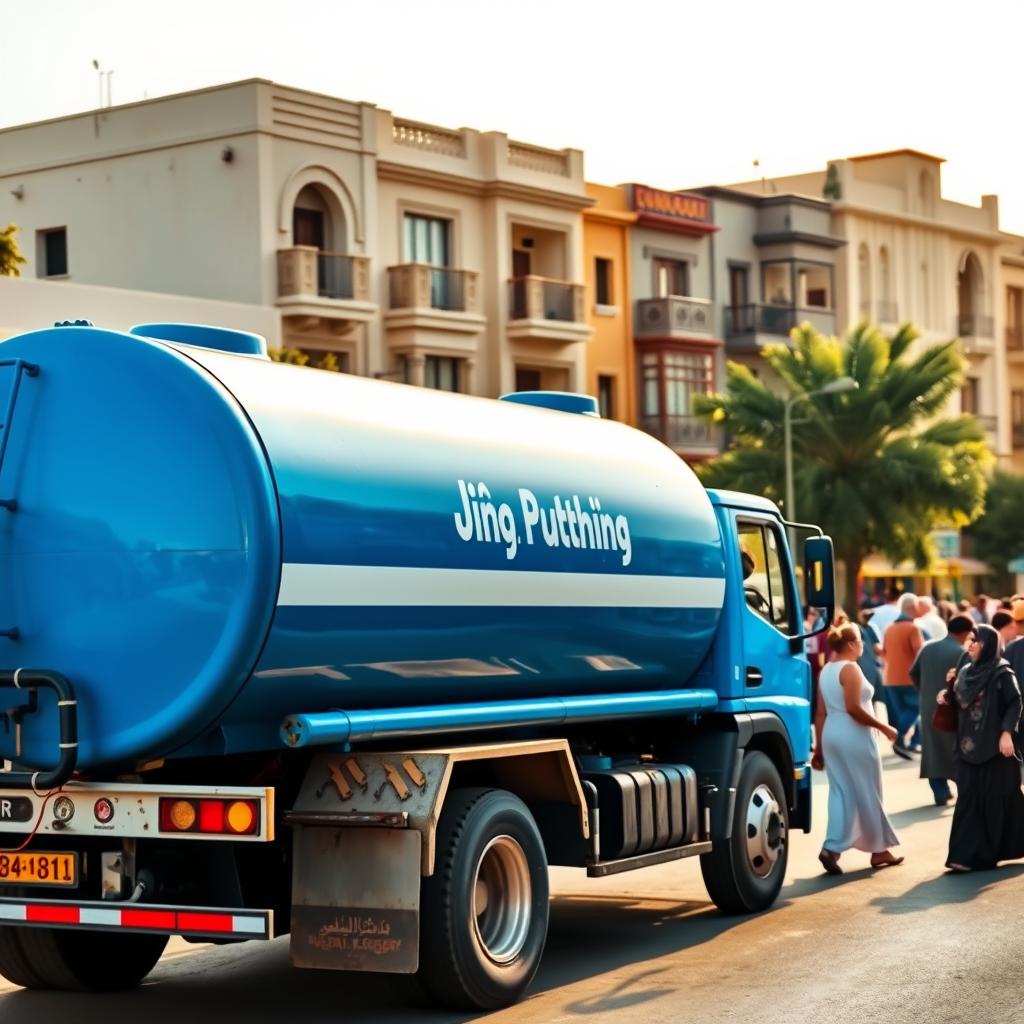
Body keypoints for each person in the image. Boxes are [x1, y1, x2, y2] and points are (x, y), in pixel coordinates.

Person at [812, 621, 902, 874]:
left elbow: (820, 712)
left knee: (842, 792)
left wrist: (819, 748)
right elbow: (854, 708)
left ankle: (835, 847)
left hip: (832, 733)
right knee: (868, 790)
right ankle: (876, 850)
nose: (863, 645)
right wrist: (884, 727)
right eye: (861, 641)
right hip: (854, 735)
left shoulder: (827, 670)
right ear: (851, 644)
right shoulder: (850, 669)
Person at [938, 623, 1024, 872]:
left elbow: (1015, 702)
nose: (971, 644)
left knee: (998, 799)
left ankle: (986, 855)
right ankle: (962, 856)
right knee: (968, 799)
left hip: (995, 748)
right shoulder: (964, 672)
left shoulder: (1001, 671)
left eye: (977, 640)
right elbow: (961, 703)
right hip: (967, 747)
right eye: (970, 639)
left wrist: (1007, 733)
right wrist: (948, 694)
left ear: (990, 645)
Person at [908, 614, 973, 806]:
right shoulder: (962, 653)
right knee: (956, 748)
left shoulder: (928, 647)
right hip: (953, 708)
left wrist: (925, 691)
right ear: (965, 633)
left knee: (932, 750)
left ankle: (940, 791)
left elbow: (913, 673)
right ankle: (964, 790)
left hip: (928, 705)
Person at [883, 593, 924, 759]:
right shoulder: (913, 628)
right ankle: (899, 738)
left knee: (901, 712)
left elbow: (883, 652)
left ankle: (902, 740)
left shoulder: (889, 628)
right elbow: (920, 653)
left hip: (890, 678)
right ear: (912, 608)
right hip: (909, 678)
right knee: (915, 708)